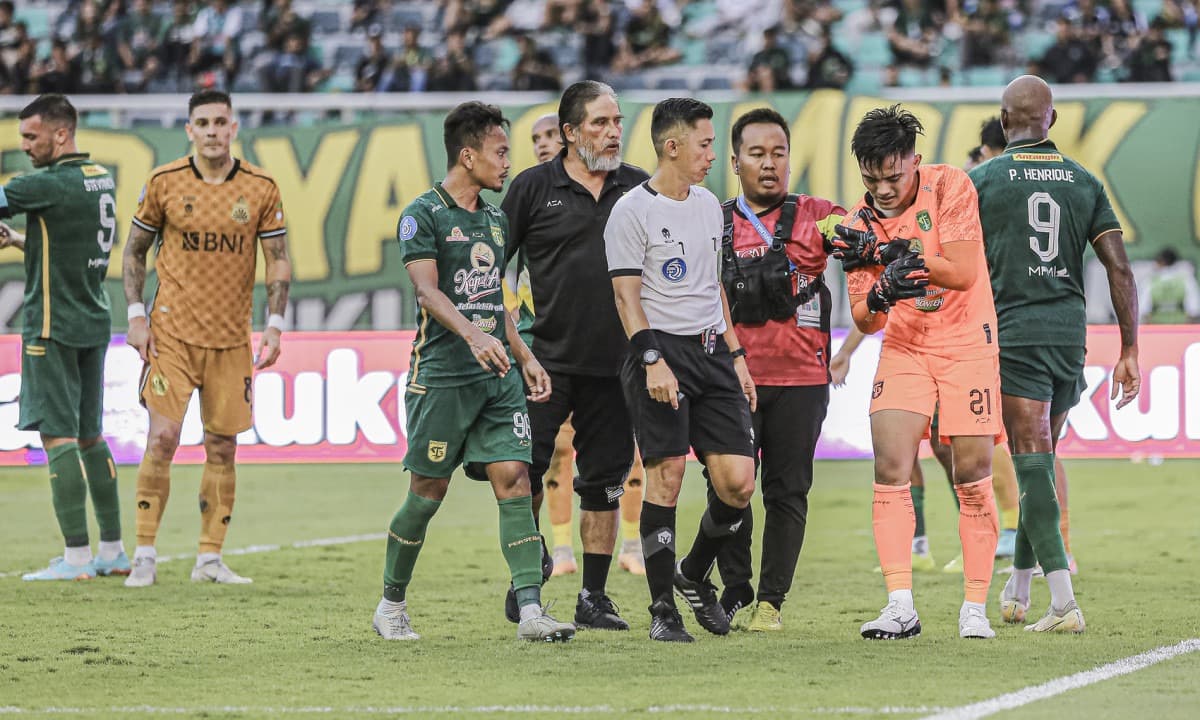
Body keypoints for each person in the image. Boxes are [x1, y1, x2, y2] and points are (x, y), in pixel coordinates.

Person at [374, 101, 573, 643]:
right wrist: (472, 335)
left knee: (515, 479)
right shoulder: (423, 213)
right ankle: (391, 604)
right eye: (500, 151)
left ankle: (531, 611)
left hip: (498, 375)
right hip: (441, 375)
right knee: (427, 492)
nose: (508, 162)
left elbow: (494, 301)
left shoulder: (494, 218)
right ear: (468, 155)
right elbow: (428, 290)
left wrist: (524, 355)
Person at [970, 75, 1141, 632]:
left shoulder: (982, 180)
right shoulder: (1084, 181)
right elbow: (1119, 267)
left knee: (1030, 457)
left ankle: (1064, 601)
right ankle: (1020, 587)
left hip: (1015, 332)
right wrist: (1131, 349)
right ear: (1053, 121)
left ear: (1002, 120)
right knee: (1037, 463)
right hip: (1069, 336)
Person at [830, 104, 1001, 640]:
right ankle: (900, 604)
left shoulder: (951, 186)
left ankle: (974, 607)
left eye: (892, 176)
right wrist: (880, 287)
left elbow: (964, 270)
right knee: (890, 463)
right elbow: (866, 318)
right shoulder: (856, 222)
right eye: (871, 178)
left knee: (970, 473)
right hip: (906, 346)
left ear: (915, 162)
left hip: (967, 343)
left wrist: (886, 253)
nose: (881, 189)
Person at [121, 90, 293, 588]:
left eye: (221, 122)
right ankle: (145, 554)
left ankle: (209, 560)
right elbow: (134, 252)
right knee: (163, 437)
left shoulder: (261, 187)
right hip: (171, 335)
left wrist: (275, 324)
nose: (213, 130)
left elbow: (277, 259)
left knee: (222, 447)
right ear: (189, 130)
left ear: (234, 128)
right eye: (204, 122)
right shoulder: (164, 182)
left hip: (230, 338)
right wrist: (136, 315)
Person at [606, 97, 757, 642]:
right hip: (659, 351)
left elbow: (712, 287)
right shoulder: (631, 212)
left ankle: (692, 573)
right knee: (665, 477)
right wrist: (652, 360)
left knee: (738, 483)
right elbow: (626, 298)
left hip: (711, 350)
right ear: (672, 146)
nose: (714, 153)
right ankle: (663, 611)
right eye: (705, 143)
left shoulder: (709, 205)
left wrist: (736, 357)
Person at [501, 81, 649, 630]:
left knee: (604, 484)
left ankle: (593, 597)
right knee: (523, 472)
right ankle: (528, 574)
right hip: (544, 362)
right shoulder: (532, 189)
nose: (614, 132)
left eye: (617, 121)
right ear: (569, 133)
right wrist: (513, 341)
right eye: (600, 123)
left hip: (617, 365)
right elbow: (491, 267)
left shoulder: (638, 187)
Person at [713, 107, 845, 632]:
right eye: (757, 154)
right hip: (729, 380)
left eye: (779, 153)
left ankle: (771, 602)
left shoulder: (819, 213)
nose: (770, 164)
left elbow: (856, 231)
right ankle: (734, 591)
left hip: (803, 382)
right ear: (735, 161)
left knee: (787, 492)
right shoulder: (711, 219)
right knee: (727, 488)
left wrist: (860, 237)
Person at [0, 94, 127, 581]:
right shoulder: (98, 178)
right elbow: (67, 241)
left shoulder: (45, 184)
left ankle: (75, 557)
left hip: (51, 327)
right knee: (92, 436)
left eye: (31, 137)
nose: (25, 147)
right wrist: (17, 241)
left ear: (60, 133)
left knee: (59, 438)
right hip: (93, 320)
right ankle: (113, 551)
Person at [1140, 246, 1200, 324]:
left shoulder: (1149, 282)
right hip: (1182, 331)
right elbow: (1194, 311)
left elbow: (1144, 311)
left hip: (1156, 331)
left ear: (1161, 262)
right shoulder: (1187, 280)